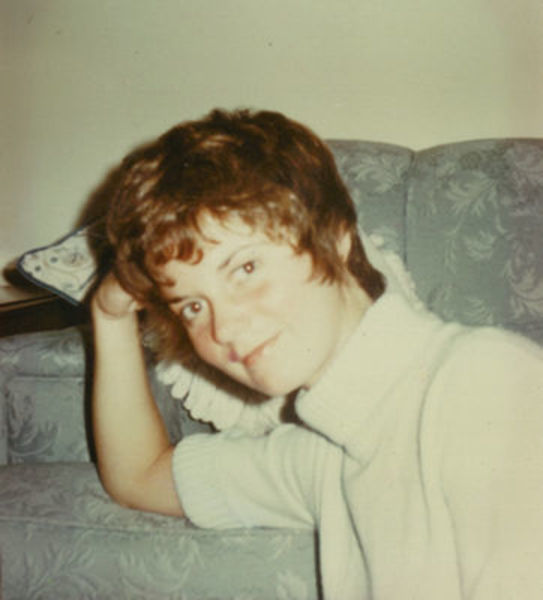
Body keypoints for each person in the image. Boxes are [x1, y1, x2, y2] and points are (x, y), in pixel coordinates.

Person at [91, 108, 543, 599]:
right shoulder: (327, 453)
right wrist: (108, 315)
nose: (223, 329)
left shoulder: (484, 384)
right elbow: (139, 477)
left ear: (335, 236)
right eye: (192, 306)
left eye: (245, 268)